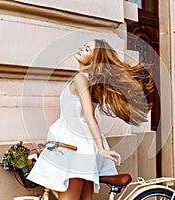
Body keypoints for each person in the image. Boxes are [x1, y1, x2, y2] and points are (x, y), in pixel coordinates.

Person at [27, 39, 153, 200]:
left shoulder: (82, 79)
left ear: (94, 59)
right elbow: (72, 116)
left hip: (77, 147)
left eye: (87, 49)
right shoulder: (89, 80)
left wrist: (101, 149)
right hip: (77, 144)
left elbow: (88, 116)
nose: (81, 48)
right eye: (84, 46)